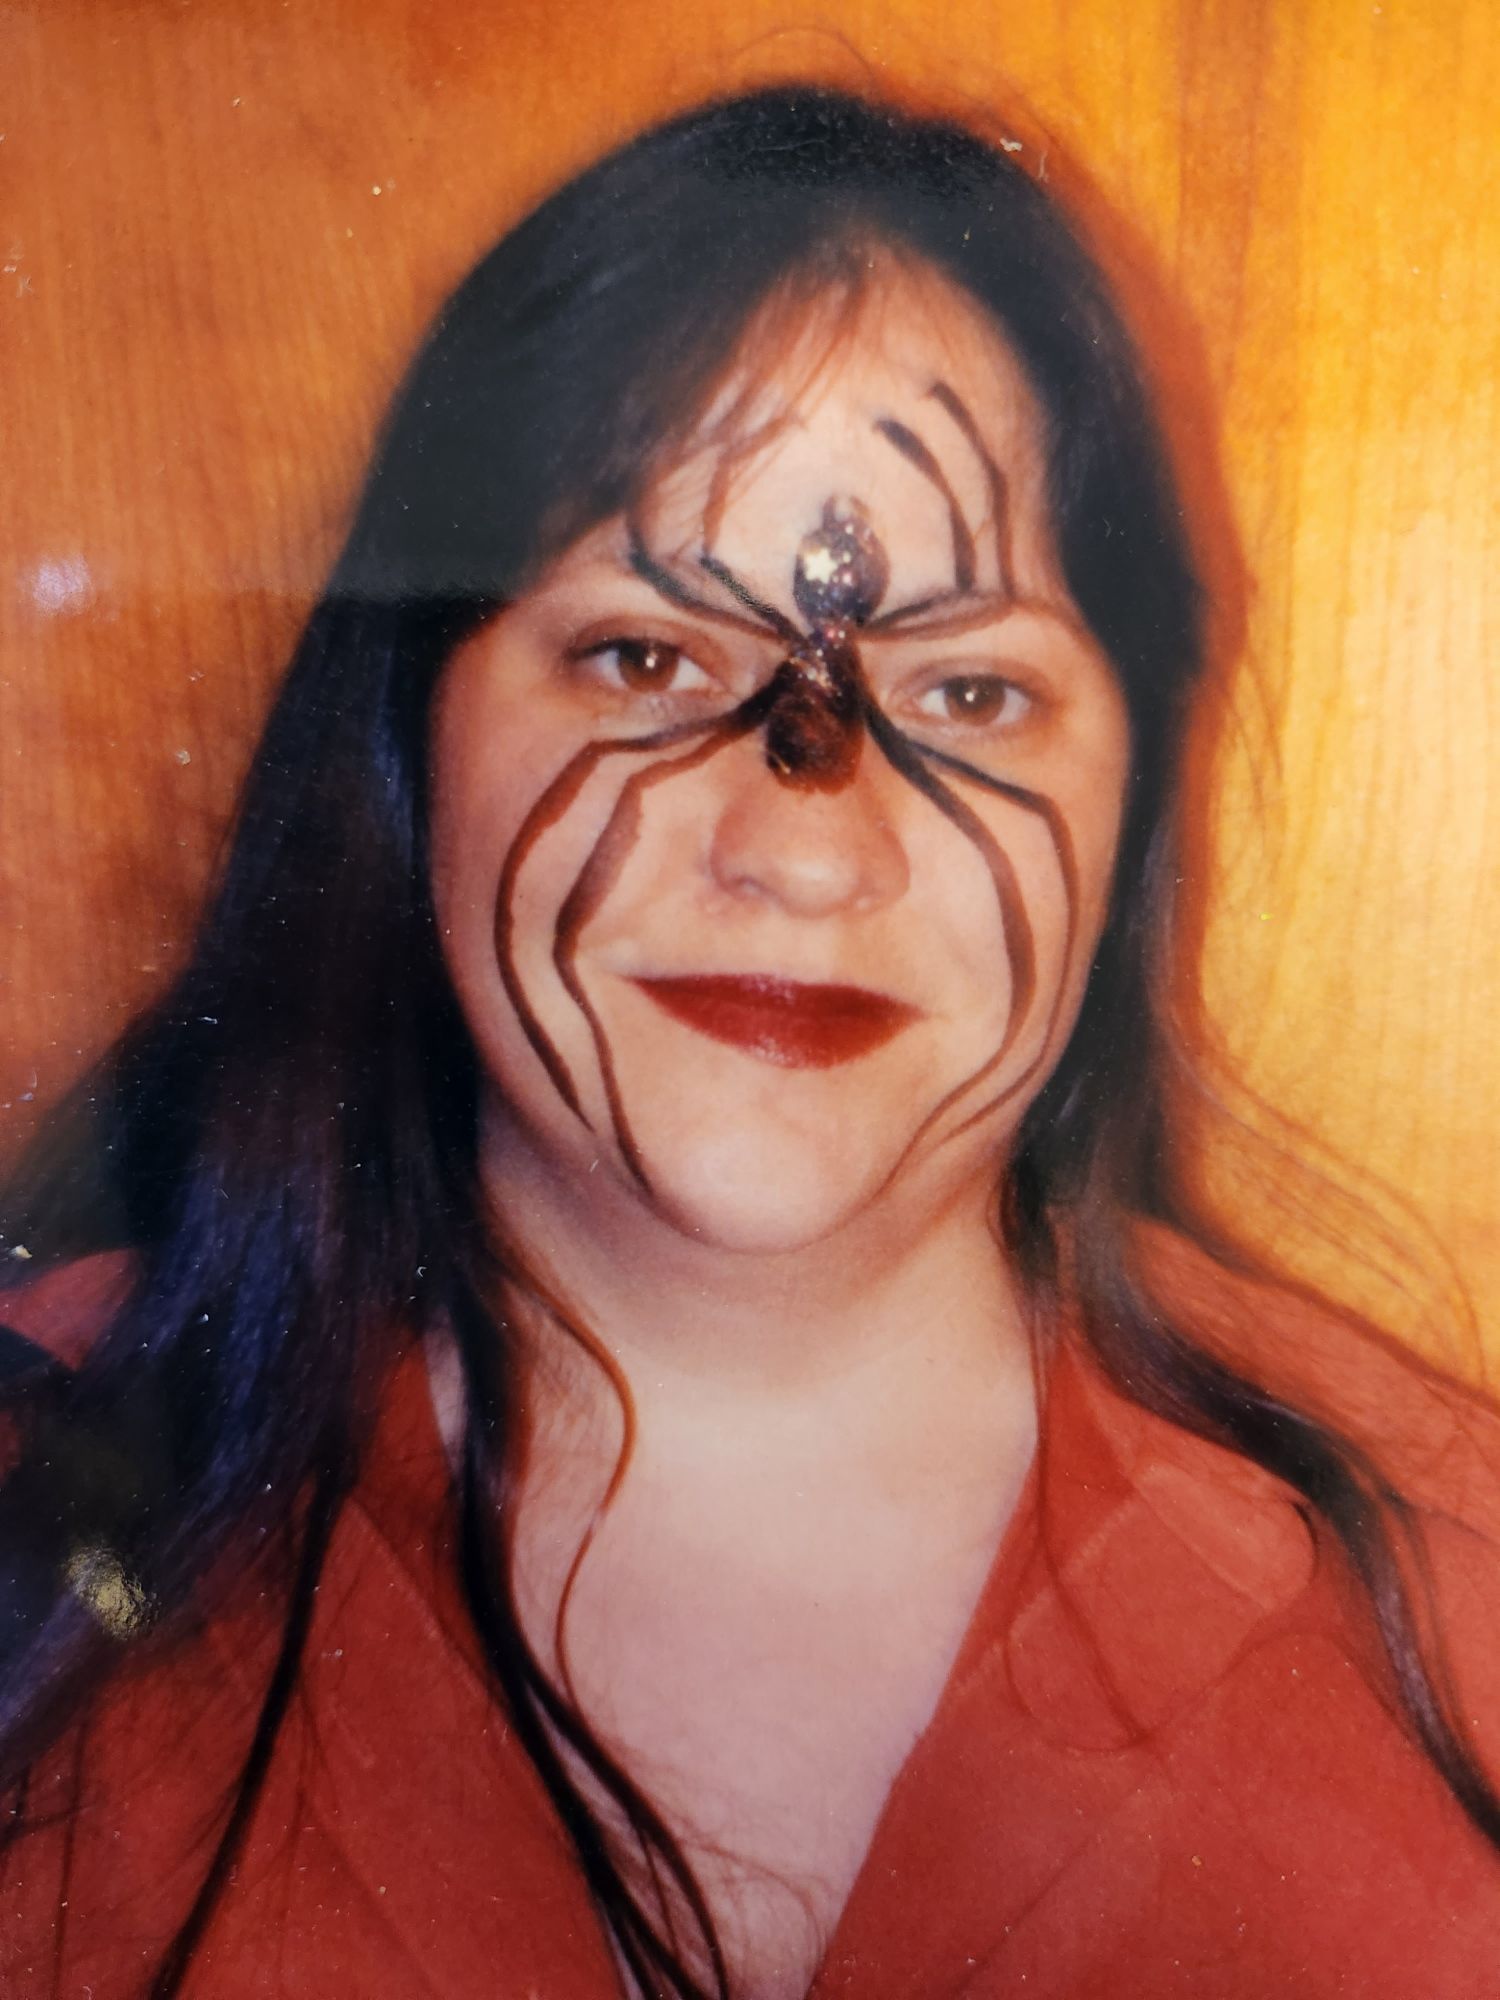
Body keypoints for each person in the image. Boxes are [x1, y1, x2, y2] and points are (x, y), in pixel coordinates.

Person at [1, 81, 1498, 2000]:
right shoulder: (41, 1521)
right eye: (643, 656)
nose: (804, 844)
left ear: (1136, 801)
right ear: (412, 738)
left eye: (969, 688)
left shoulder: (1452, 1617)